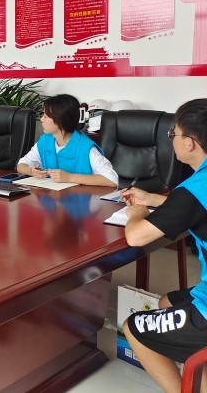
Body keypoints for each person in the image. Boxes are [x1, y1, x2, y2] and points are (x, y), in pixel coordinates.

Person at [122, 99, 207, 393]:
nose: (172, 140)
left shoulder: (193, 189)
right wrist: (152, 199)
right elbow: (194, 207)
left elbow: (135, 237)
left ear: (190, 142)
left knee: (133, 327)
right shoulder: (197, 188)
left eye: (174, 134)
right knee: (165, 303)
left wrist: (136, 212)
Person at [16, 94, 118, 187]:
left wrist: (70, 177)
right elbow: (21, 165)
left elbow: (112, 179)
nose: (41, 119)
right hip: (52, 198)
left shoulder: (85, 147)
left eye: (45, 116)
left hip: (80, 199)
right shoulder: (45, 141)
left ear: (60, 119)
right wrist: (31, 171)